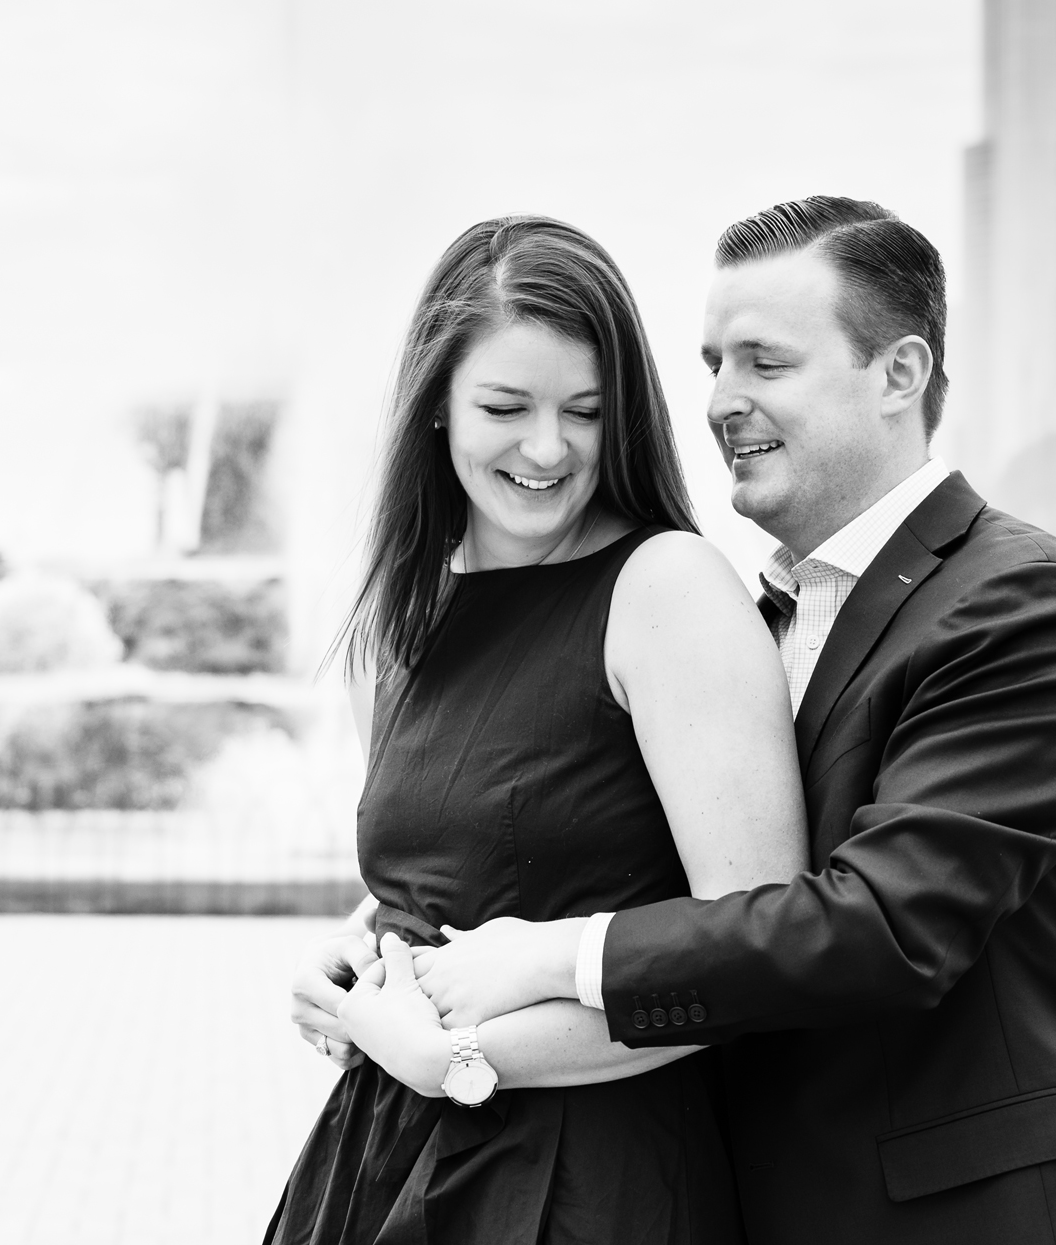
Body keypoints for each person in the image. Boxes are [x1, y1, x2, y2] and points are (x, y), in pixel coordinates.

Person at [409, 197, 1056, 1243]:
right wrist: (380, 952)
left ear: (897, 374)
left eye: (764, 363)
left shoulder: (1022, 605)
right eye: (712, 362)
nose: (719, 401)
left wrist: (549, 957)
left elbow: (881, 928)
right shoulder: (740, 618)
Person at [268, 216, 809, 1244]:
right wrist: (350, 964)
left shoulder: (665, 591)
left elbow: (756, 954)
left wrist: (457, 1059)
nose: (547, 448)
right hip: (383, 1153)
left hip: (591, 1177)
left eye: (585, 411)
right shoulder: (398, 614)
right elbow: (451, 868)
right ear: (434, 408)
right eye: (504, 407)